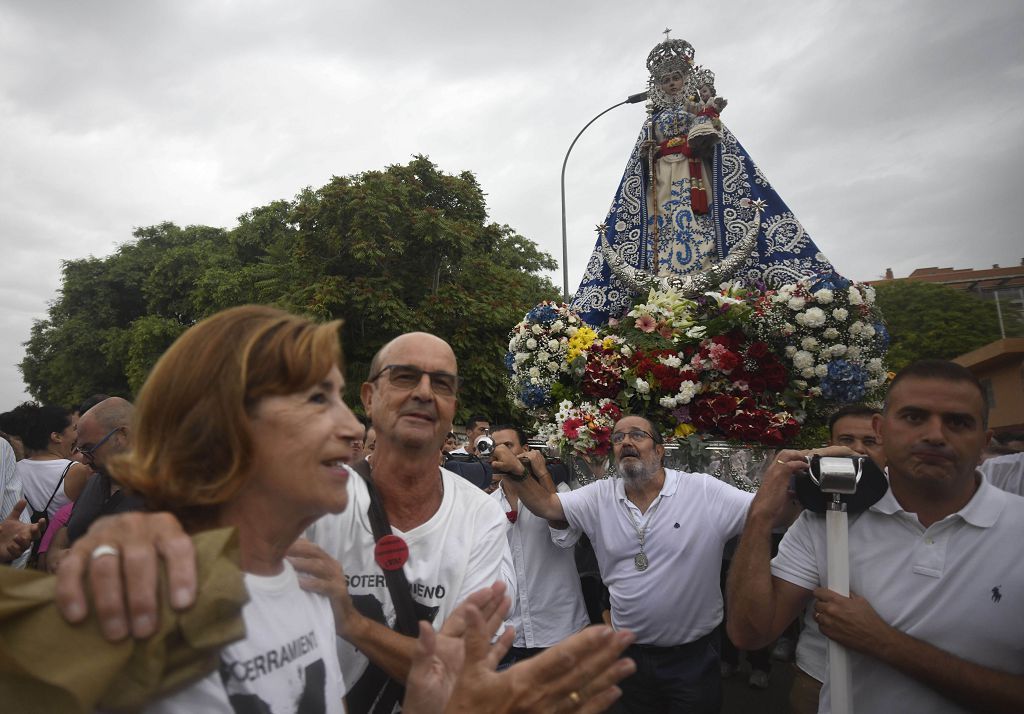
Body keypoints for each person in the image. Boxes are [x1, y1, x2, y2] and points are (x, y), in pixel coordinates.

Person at [50, 312, 635, 713]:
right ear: (223, 427)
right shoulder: (149, 592)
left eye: (442, 384)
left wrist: (437, 701)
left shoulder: (301, 587)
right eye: (315, 401)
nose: (350, 431)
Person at [727, 360, 1024, 713]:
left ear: (984, 442)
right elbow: (750, 633)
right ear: (882, 430)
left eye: (958, 422)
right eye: (914, 417)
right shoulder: (828, 518)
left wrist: (885, 643)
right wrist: (761, 516)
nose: (935, 435)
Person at [493, 414, 755, 713]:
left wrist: (789, 471)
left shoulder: (702, 491)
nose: (626, 442)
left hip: (692, 659)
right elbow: (547, 506)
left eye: (637, 435)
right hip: (627, 656)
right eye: (618, 438)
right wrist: (519, 474)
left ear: (659, 450)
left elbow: (761, 511)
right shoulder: (600, 496)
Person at [571, 33, 837, 325]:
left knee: (700, 219)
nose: (672, 84)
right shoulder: (651, 120)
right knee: (664, 223)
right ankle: (664, 275)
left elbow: (716, 141)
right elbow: (642, 159)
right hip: (661, 179)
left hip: (695, 172)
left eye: (676, 77)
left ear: (686, 79)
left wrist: (706, 124)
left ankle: (707, 266)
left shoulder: (695, 109)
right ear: (658, 86)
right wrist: (648, 152)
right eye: (666, 80)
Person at [787, 404, 882, 714]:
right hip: (818, 675)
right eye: (846, 441)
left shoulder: (920, 503)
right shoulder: (813, 512)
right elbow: (754, 628)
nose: (858, 451)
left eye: (870, 441)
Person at [488, 425, 589, 665]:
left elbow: (566, 538)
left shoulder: (560, 492)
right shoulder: (485, 504)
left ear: (526, 451)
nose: (499, 453)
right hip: (507, 633)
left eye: (507, 446)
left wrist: (542, 474)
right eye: (494, 447)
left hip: (559, 628)